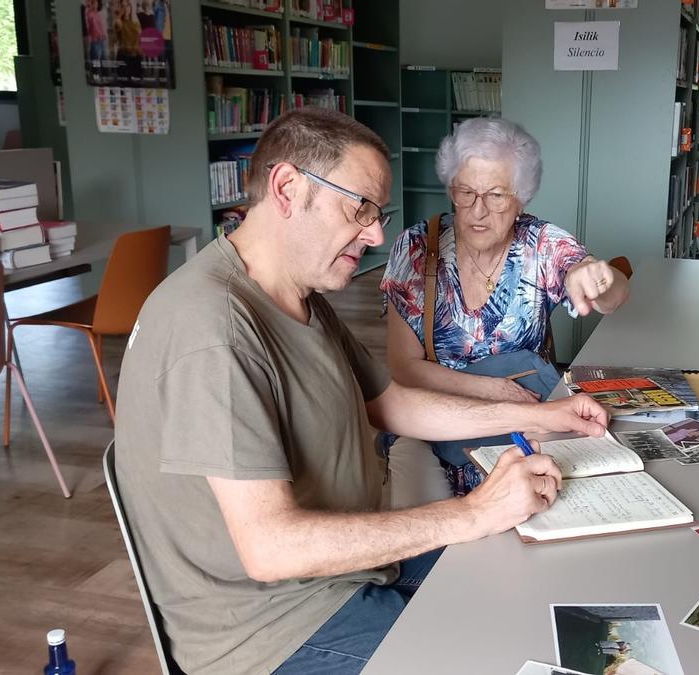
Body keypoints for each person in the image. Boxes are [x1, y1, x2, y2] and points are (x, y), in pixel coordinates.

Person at [114, 108, 610, 675]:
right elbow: (271, 548)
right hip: (276, 628)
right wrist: (472, 512)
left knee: (524, 580)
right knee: (502, 649)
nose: (376, 234)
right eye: (360, 208)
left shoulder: (298, 294)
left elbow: (391, 404)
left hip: (348, 575)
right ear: (287, 188)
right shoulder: (213, 328)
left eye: (378, 213)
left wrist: (546, 417)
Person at [380, 117, 631, 502]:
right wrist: (494, 390)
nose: (478, 210)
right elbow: (403, 368)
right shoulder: (415, 248)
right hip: (437, 430)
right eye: (466, 192)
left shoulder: (540, 243)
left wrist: (598, 277)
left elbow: (612, 297)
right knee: (422, 546)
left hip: (523, 433)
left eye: (496, 195)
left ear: (521, 198)